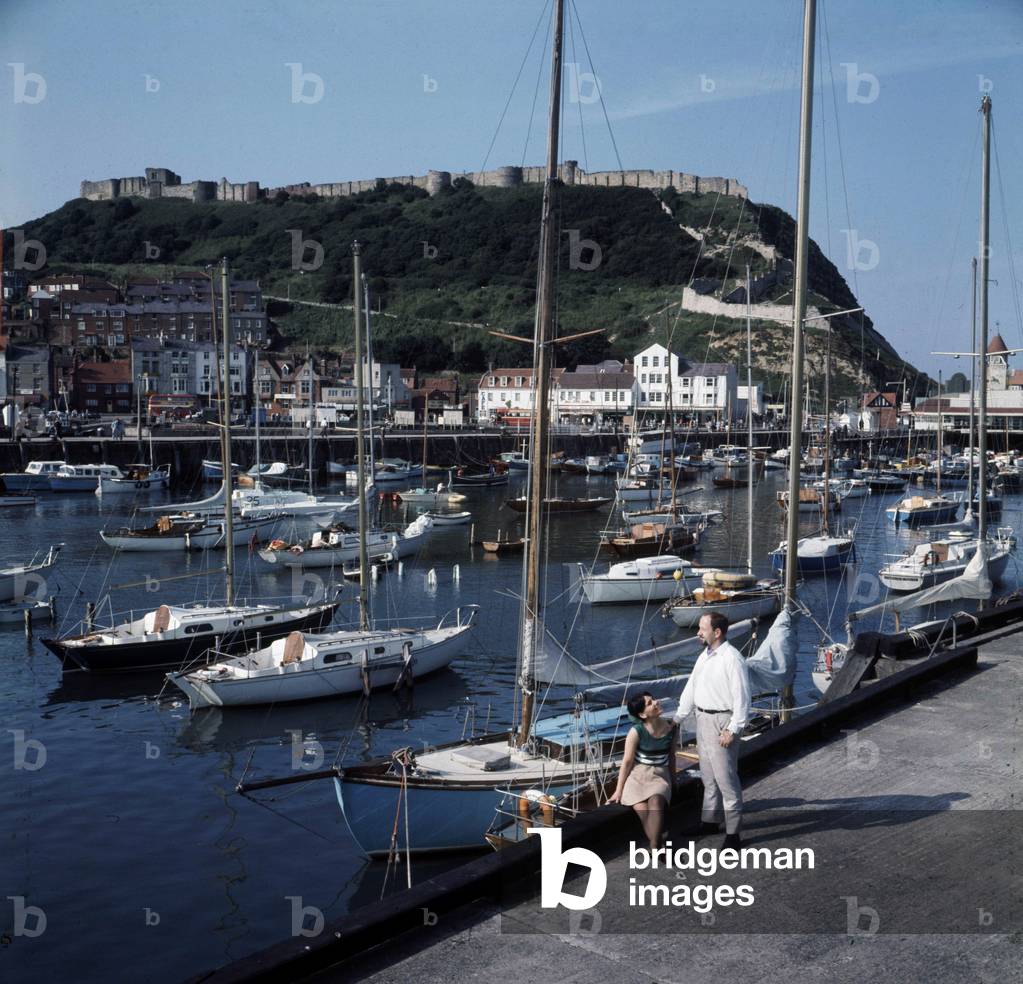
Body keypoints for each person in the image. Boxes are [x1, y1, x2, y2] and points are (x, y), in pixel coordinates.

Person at [675, 611, 751, 849]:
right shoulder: (705, 655)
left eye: (702, 629)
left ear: (717, 632)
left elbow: (742, 698)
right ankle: (710, 821)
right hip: (703, 719)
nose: (698, 633)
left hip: (722, 722)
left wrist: (733, 729)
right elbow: (691, 687)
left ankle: (733, 834)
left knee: (726, 780)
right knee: (708, 777)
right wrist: (678, 717)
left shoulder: (732, 659)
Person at [608, 691, 678, 849]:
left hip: (659, 776)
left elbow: (672, 757)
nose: (656, 702)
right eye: (649, 703)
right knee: (643, 811)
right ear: (642, 714)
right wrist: (618, 791)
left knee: (656, 801)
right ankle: (658, 846)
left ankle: (655, 847)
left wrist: (674, 781)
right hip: (637, 777)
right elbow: (627, 762)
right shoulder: (636, 731)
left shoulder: (672, 728)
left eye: (653, 699)